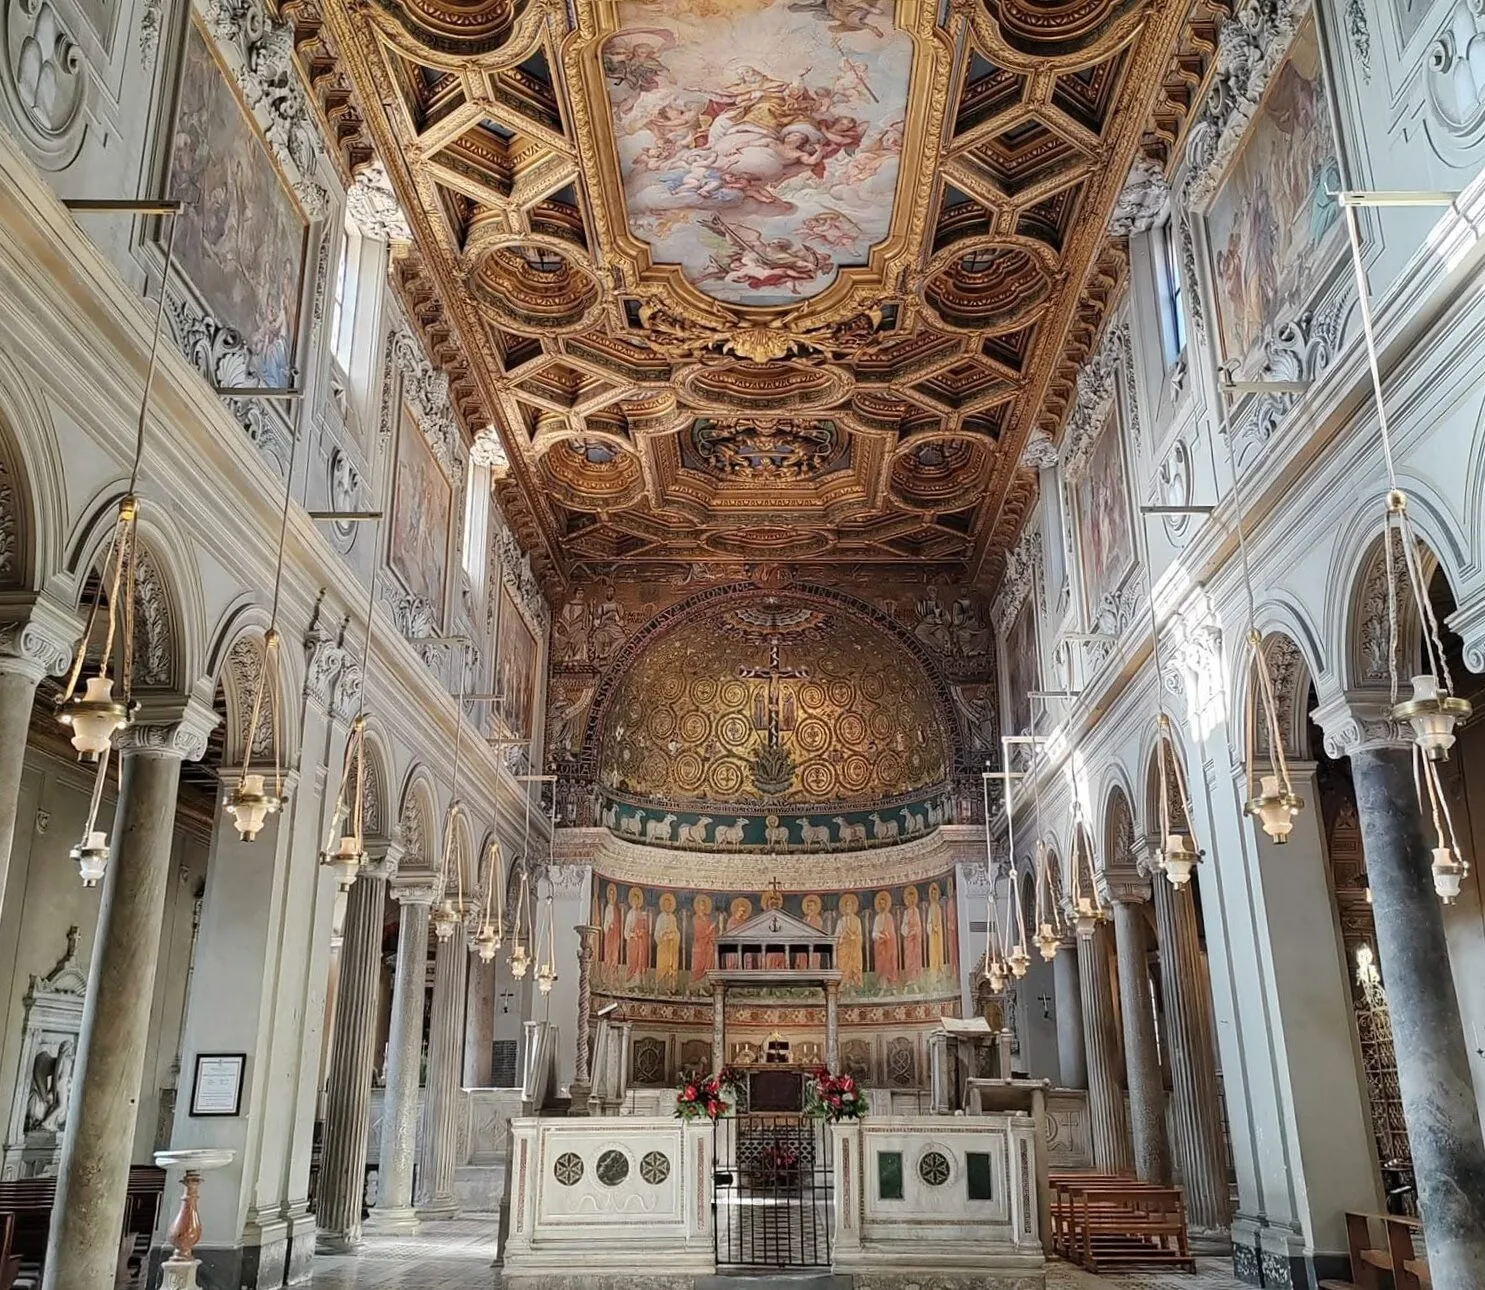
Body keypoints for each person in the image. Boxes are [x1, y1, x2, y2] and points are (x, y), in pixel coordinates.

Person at [655, 892, 682, 989]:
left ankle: (671, 987)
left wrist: (674, 935)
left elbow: (676, 931)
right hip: (663, 947)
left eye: (669, 904)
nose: (668, 906)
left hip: (672, 947)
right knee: (663, 966)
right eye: (666, 904)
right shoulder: (660, 918)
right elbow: (657, 933)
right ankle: (662, 987)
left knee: (672, 966)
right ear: (663, 905)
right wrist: (664, 935)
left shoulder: (673, 918)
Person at [624, 887, 651, 982]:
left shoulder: (641, 913)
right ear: (631, 901)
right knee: (632, 961)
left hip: (640, 942)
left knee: (640, 961)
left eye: (637, 900)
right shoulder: (629, 914)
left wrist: (642, 932)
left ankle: (639, 983)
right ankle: (631, 983)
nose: (635, 902)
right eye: (634, 900)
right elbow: (626, 931)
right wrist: (632, 934)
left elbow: (645, 928)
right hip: (632, 942)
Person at [837, 892, 864, 988]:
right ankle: (844, 982)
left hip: (854, 947)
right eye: (846, 905)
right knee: (842, 964)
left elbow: (859, 935)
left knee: (854, 964)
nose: (848, 907)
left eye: (850, 905)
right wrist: (842, 937)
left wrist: (855, 938)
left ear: (853, 907)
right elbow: (837, 935)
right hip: (844, 947)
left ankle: (854, 982)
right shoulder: (841, 921)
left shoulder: (857, 920)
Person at [871, 890, 898, 984]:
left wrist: (889, 936)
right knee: (881, 964)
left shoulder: (890, 917)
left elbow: (892, 931)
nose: (883, 906)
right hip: (880, 945)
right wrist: (880, 936)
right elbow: (874, 933)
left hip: (889, 944)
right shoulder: (877, 918)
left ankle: (891, 982)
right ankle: (882, 984)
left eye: (884, 904)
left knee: (890, 962)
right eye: (881, 904)